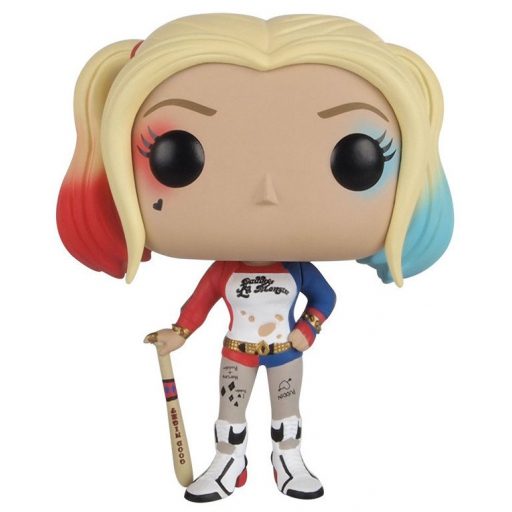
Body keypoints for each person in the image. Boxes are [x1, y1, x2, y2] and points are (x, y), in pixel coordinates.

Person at [57, 14, 453, 502]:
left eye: (357, 157)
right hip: (237, 350)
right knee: (231, 412)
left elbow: (325, 298)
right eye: (176, 155)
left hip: (286, 349)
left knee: (287, 413)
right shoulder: (225, 271)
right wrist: (179, 333)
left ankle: (289, 461)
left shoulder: (298, 271)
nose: (267, 192)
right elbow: (200, 303)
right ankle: (229, 462)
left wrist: (307, 329)